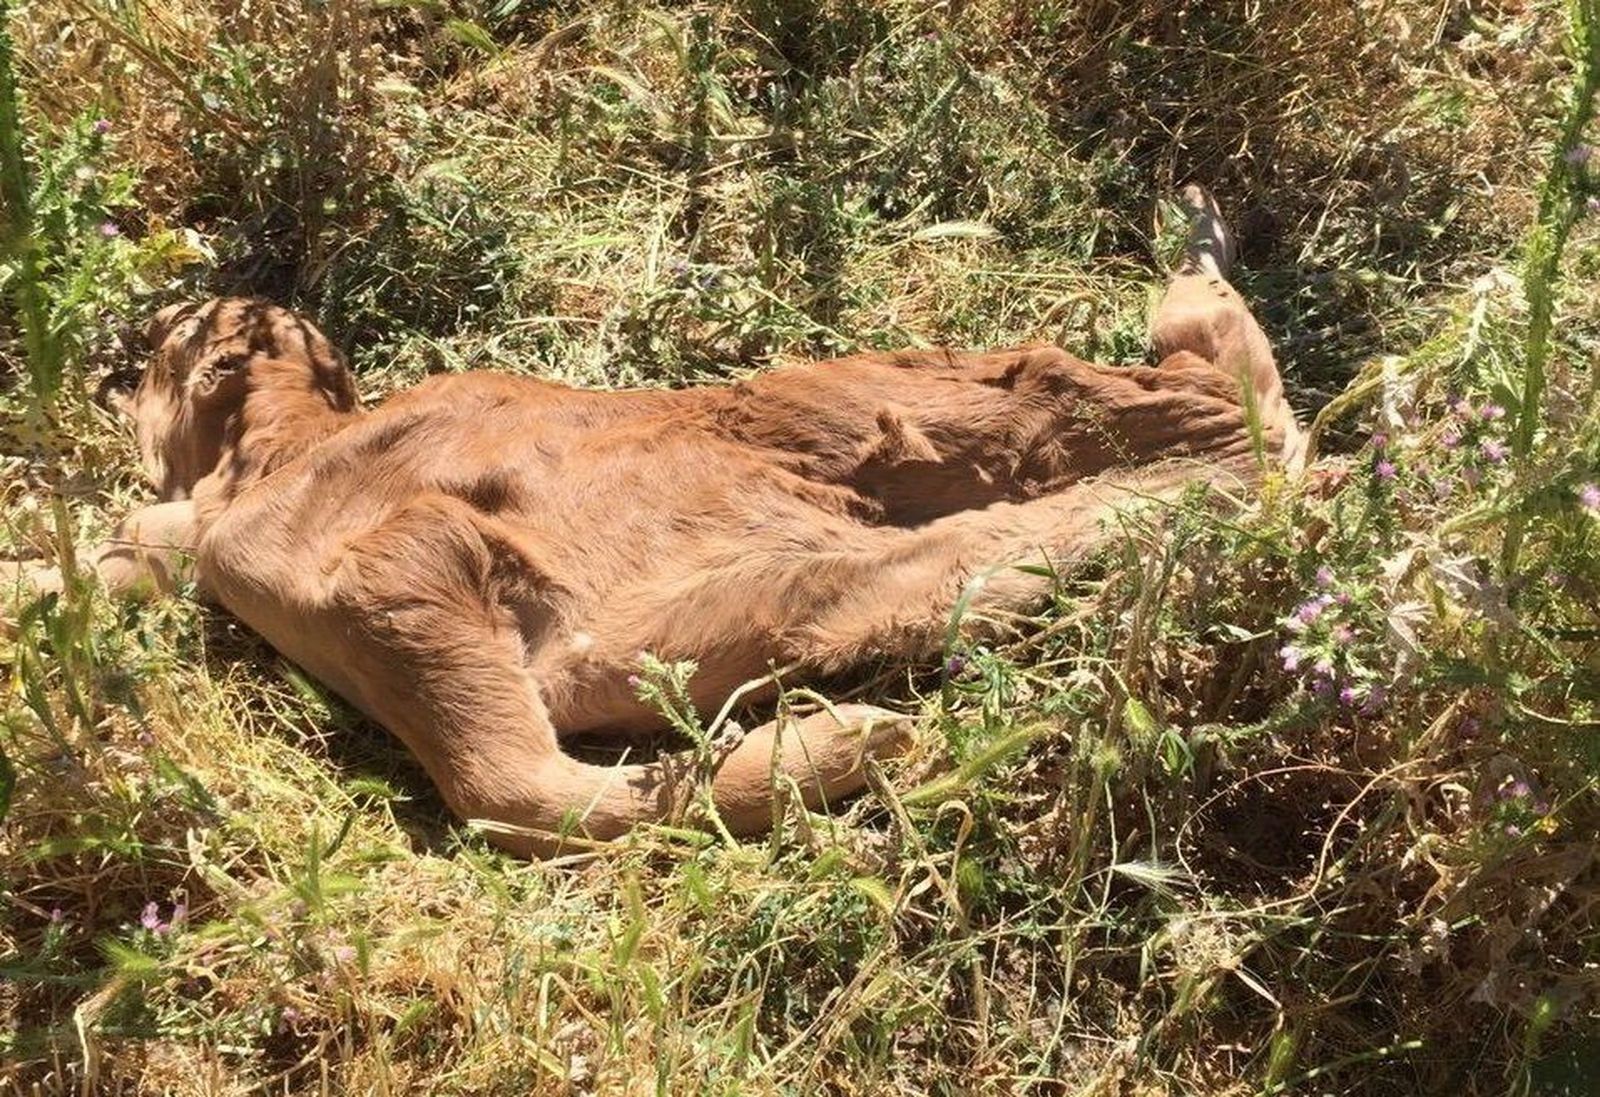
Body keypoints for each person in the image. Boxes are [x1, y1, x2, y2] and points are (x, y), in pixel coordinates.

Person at [10, 186, 1303, 855]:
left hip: (674, 502)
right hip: (665, 536)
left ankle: (566, 793)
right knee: (1087, 475)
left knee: (1141, 444)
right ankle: (586, 790)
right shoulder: (249, 510)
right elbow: (132, 552)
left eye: (158, 375)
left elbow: (215, 542)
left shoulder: (261, 510)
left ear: (180, 403)